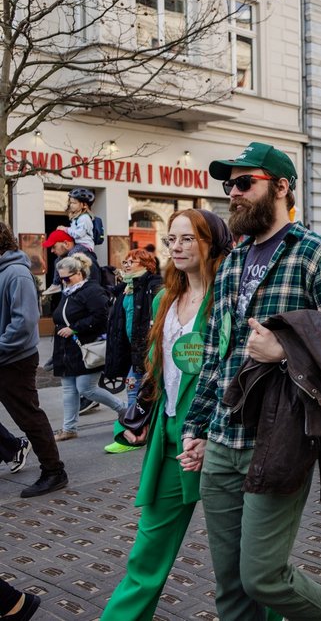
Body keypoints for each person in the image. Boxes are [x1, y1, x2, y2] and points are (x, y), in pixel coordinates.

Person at [182, 142, 321, 621]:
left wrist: (285, 349)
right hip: (222, 440)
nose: (233, 193)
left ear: (281, 186)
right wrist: (196, 427)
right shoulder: (232, 262)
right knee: (230, 587)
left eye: (244, 183)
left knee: (262, 576)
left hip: (278, 439)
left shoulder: (314, 253)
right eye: (229, 185)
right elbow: (216, 354)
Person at [100, 209, 234, 621]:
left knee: (242, 562)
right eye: (171, 239)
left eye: (187, 238)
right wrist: (138, 418)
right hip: (170, 439)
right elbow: (157, 372)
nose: (176, 247)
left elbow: (239, 375)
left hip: (221, 442)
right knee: (147, 553)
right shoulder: (164, 299)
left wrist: (212, 433)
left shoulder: (229, 299)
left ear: (212, 243)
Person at [0, 222, 68, 498]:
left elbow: (24, 323)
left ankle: (54, 471)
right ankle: (13, 449)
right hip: (6, 357)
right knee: (28, 415)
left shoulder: (16, 273)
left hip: (14, 360)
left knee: (29, 416)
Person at [51, 254, 126, 442]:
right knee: (69, 389)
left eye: (67, 278)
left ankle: (123, 408)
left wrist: (75, 328)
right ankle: (69, 428)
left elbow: (101, 317)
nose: (64, 282)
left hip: (87, 347)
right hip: (67, 348)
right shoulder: (69, 291)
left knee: (86, 388)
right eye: (61, 278)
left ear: (79, 273)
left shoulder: (92, 290)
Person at [103, 249, 163, 454]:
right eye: (125, 261)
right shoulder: (126, 289)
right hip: (133, 351)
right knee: (137, 390)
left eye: (132, 261)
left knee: (134, 390)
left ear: (146, 265)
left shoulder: (153, 285)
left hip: (148, 350)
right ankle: (141, 430)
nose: (127, 265)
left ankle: (132, 434)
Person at [41, 229, 101, 294]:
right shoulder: (62, 262)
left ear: (66, 244)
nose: (52, 251)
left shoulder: (86, 260)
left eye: (54, 247)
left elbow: (94, 290)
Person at [57, 187, 97, 254]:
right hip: (78, 244)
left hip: (84, 245)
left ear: (84, 205)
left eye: (74, 203)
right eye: (71, 203)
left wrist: (65, 229)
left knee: (71, 255)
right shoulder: (77, 218)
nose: (71, 205)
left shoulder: (84, 218)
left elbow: (78, 234)